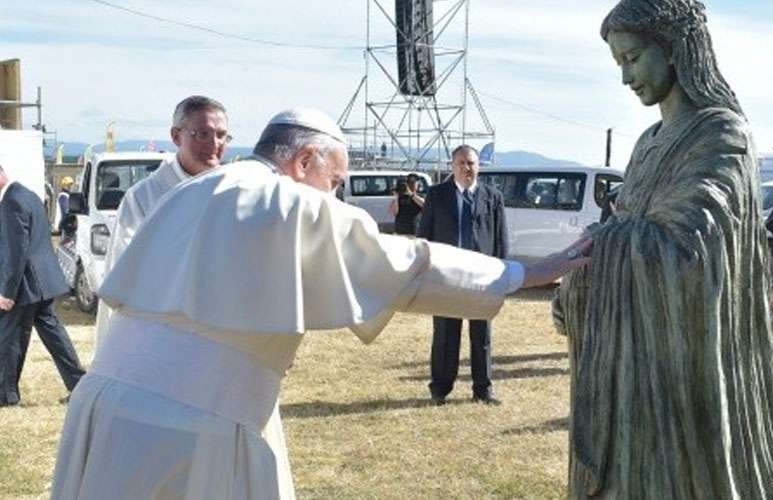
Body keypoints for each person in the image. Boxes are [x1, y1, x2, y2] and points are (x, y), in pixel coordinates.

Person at [51, 108, 590, 499]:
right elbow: (397, 263)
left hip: (105, 405)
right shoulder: (282, 198)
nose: (336, 197)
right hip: (190, 427)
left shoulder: (196, 189)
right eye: (334, 182)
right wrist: (521, 272)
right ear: (304, 160)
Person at [559, 0, 773, 496]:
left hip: (690, 373)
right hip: (634, 366)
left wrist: (605, 245)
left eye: (634, 58)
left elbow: (691, 250)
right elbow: (626, 224)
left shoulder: (722, 133)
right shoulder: (648, 142)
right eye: (619, 62)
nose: (626, 78)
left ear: (676, 48)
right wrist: (581, 275)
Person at [93, 95, 231, 350]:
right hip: (164, 333)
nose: (214, 144)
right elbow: (122, 276)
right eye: (202, 134)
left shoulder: (235, 192)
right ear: (176, 136)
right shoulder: (145, 198)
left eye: (222, 135)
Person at [417, 145, 507, 405]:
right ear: (452, 166)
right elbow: (425, 235)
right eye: (461, 163)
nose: (467, 168)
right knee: (445, 333)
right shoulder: (437, 195)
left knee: (482, 334)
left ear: (479, 166)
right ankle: (440, 388)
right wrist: (424, 269)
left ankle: (483, 388)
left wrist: (501, 271)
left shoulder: (492, 197)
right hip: (447, 274)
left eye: (471, 163)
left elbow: (500, 238)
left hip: (482, 276)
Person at [0, 165, 85, 406]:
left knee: (8, 337)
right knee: (55, 336)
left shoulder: (11, 202)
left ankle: (6, 396)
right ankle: (79, 386)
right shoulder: (28, 194)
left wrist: (6, 292)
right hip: (43, 282)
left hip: (26, 284)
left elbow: (16, 251)